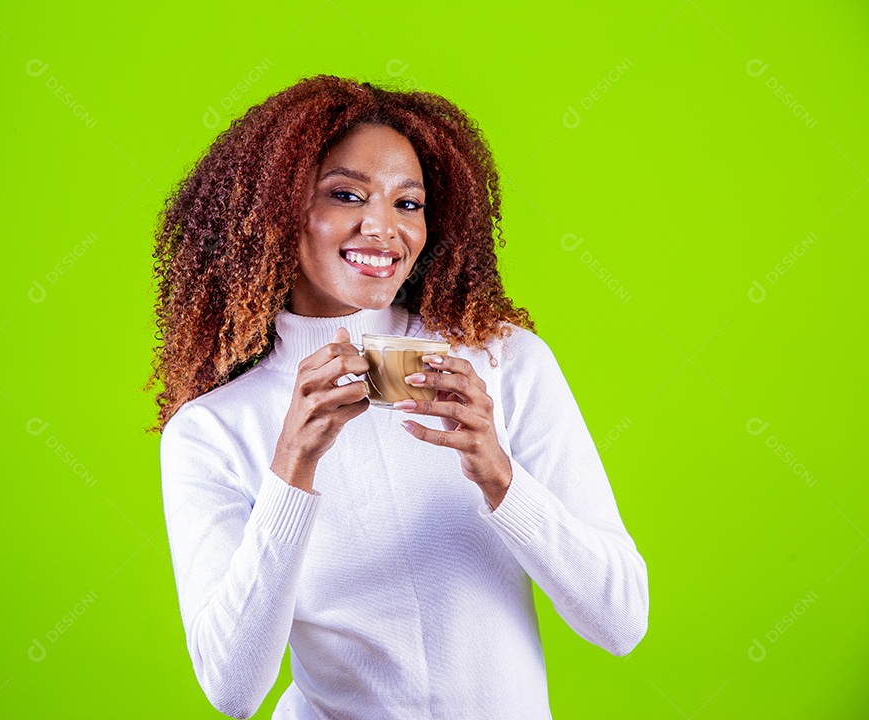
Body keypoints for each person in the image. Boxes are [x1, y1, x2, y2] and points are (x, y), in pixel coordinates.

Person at [147, 74, 648, 719]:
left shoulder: (502, 363)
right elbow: (233, 690)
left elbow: (621, 620)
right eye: (346, 194)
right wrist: (292, 469)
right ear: (273, 209)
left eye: (407, 203)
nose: (383, 227)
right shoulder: (214, 428)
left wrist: (500, 476)